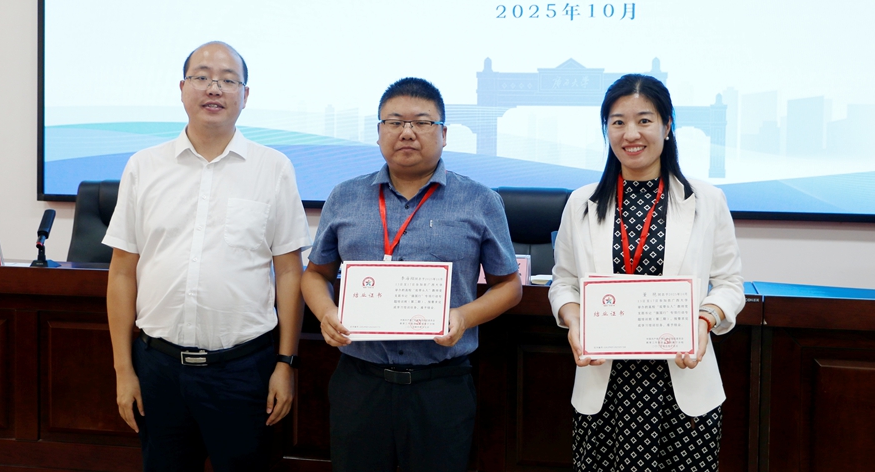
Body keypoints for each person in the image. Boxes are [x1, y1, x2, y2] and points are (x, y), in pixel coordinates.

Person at [103, 41, 311, 471]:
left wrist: (285, 364)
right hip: (158, 369)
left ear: (245, 95)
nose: (214, 88)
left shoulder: (273, 168)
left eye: (228, 80)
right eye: (201, 77)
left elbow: (290, 272)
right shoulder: (144, 166)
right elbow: (122, 271)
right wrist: (124, 370)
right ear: (182, 89)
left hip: (243, 371)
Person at [301, 77, 523, 472]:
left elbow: (509, 286)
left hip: (441, 387)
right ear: (379, 132)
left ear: (444, 134)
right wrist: (326, 312)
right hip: (360, 383)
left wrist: (463, 317)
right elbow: (315, 274)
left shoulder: (480, 200)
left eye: (422, 122)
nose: (407, 132)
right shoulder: (344, 196)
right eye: (394, 122)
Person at [548, 74, 744, 471]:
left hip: (683, 385)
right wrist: (574, 321)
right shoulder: (581, 202)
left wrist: (705, 321)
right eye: (618, 122)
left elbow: (729, 283)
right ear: (606, 130)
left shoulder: (707, 199)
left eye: (644, 120)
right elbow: (564, 282)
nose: (630, 134)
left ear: (667, 126)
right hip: (605, 387)